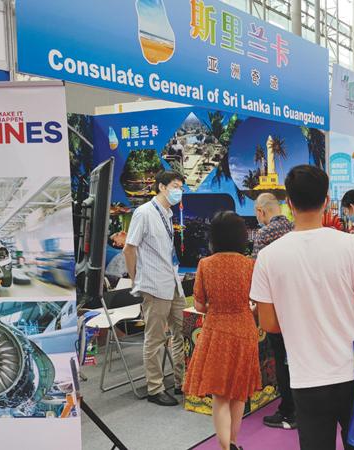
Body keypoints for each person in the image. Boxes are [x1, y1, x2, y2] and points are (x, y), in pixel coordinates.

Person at [251, 165, 354, 450]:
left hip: (306, 376)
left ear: (289, 203)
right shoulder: (352, 246)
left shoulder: (268, 256)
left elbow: (269, 324)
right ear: (326, 201)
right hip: (353, 372)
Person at [184, 212, 261, 450]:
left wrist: (215, 307)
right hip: (244, 330)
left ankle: (225, 447)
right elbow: (256, 300)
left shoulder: (205, 265)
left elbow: (198, 305)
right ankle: (234, 442)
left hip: (216, 331)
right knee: (239, 394)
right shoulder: (250, 265)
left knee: (220, 395)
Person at [124, 171, 186, 407]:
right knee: (156, 338)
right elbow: (129, 249)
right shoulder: (144, 213)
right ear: (161, 187)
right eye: (175, 185)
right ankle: (155, 388)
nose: (178, 190)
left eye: (181, 186)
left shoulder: (168, 214)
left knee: (181, 332)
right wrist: (135, 279)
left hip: (172, 282)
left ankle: (181, 381)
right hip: (153, 284)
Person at [252, 193, 297, 430]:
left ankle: (288, 410)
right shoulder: (293, 229)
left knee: (281, 358)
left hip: (276, 307)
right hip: (298, 304)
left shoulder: (263, 234)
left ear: (261, 211)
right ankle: (298, 406)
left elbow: (257, 272)